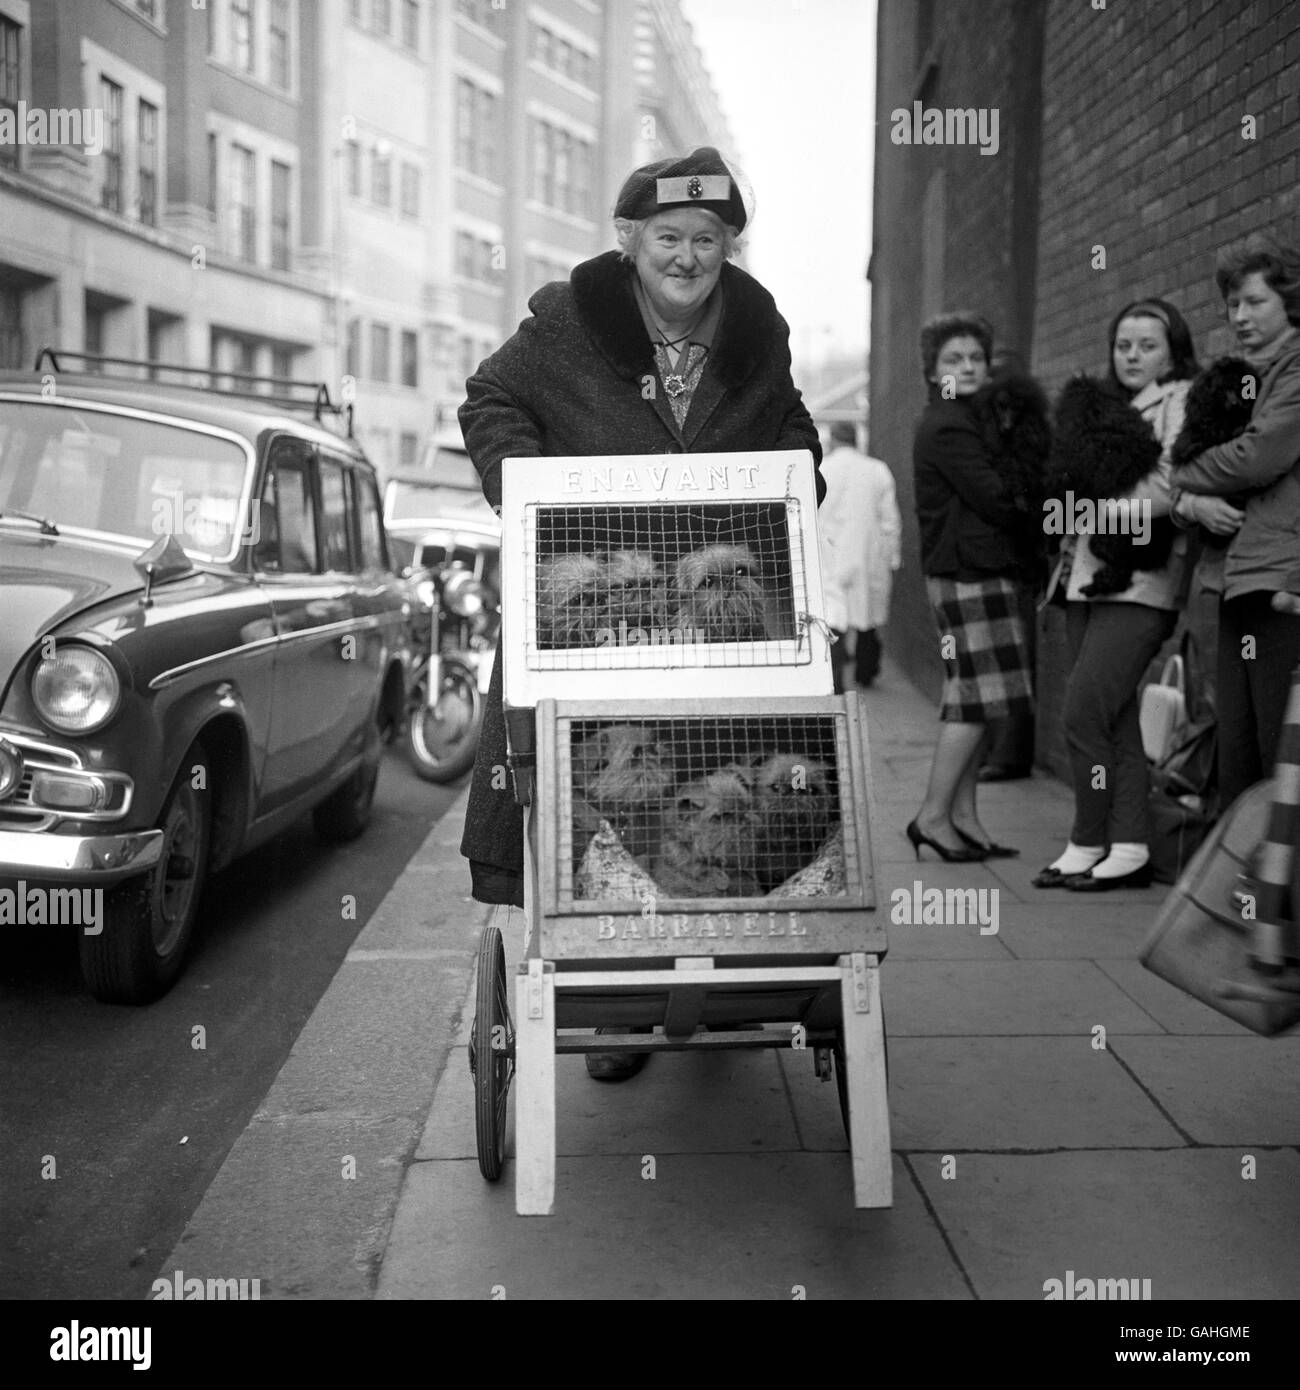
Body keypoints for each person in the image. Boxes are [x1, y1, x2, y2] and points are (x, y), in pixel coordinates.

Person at [458, 146, 823, 1080]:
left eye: (708, 239)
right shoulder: (567, 318)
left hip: (717, 622)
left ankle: (714, 962)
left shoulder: (757, 327)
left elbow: (791, 422)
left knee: (711, 774)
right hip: (597, 611)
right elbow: (489, 399)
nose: (689, 257)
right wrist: (524, 486)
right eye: (670, 236)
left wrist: (796, 479)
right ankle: (616, 997)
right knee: (600, 779)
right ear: (629, 239)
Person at [1035, 298, 1198, 891]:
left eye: (1147, 345)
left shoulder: (1180, 401)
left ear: (1173, 350)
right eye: (1123, 345)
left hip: (1141, 581)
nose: (1132, 356)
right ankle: (1128, 846)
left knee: (1083, 710)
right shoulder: (1104, 405)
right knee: (1118, 720)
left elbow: (1165, 490)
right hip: (1085, 578)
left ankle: (1087, 838)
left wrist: (1084, 509)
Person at [1169, 232, 1300, 809]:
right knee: (1238, 752)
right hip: (1235, 578)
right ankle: (1241, 892)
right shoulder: (1245, 375)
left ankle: (1276, 894)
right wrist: (1192, 499)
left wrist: (1185, 474)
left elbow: (1260, 456)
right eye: (1232, 305)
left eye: (1255, 302)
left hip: (1279, 582)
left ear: (1289, 301)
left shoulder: (1295, 370)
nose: (1239, 315)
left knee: (1277, 754)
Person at [908, 312, 1041, 862]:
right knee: (974, 701)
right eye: (952, 359)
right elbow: (996, 497)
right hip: (970, 574)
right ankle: (933, 816)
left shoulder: (965, 417)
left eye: (975, 359)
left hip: (971, 572)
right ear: (932, 370)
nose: (966, 367)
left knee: (977, 699)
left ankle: (963, 817)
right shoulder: (949, 424)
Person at [817, 420, 900, 692]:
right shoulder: (877, 470)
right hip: (868, 555)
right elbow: (889, 521)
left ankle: (836, 681)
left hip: (831, 555)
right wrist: (892, 558)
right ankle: (866, 673)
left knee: (834, 621)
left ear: (833, 440)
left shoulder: (822, 469)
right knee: (869, 619)